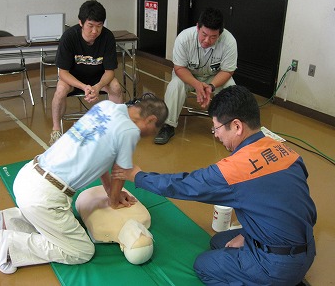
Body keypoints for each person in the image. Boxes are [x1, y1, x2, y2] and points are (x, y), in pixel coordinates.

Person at [113, 85, 317, 285]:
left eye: (217, 128)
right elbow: (304, 211)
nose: (216, 135)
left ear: (237, 126)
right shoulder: (285, 151)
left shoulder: (235, 170)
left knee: (204, 266)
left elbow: (183, 185)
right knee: (218, 242)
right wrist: (247, 236)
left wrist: (138, 176)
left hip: (277, 264)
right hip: (306, 248)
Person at [0, 96, 168, 274]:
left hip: (29, 175)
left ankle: (5, 220)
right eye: (153, 130)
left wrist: (109, 192)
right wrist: (113, 201)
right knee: (81, 251)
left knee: (47, 219)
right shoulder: (130, 132)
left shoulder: (107, 106)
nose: (148, 136)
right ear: (151, 119)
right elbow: (120, 172)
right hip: (44, 196)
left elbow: (102, 158)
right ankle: (11, 246)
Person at [155, 7, 237, 145]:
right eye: (204, 34)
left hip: (214, 77)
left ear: (220, 34)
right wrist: (197, 84)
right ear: (198, 27)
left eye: (213, 37)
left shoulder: (229, 42)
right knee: (175, 85)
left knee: (231, 89)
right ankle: (167, 125)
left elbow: (228, 71)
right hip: (188, 76)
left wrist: (210, 86)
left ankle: (224, 127)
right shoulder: (184, 38)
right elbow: (179, 68)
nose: (207, 40)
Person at [50, 0, 123, 145]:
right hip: (73, 78)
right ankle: (56, 129)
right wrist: (84, 87)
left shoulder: (108, 37)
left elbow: (109, 72)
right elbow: (62, 73)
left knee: (116, 87)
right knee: (60, 90)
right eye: (90, 26)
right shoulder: (69, 37)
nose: (95, 31)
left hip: (98, 78)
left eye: (99, 26)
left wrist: (97, 86)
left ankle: (114, 128)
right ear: (81, 23)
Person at [75, 185, 154, 265]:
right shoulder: (144, 217)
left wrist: (111, 191)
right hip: (86, 194)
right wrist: (112, 191)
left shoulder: (100, 230)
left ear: (122, 247)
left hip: (84, 195)